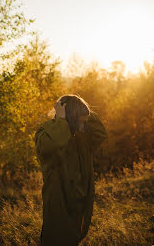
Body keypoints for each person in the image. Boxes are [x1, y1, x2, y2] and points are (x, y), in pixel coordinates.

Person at [34, 94, 107, 245]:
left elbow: (100, 133)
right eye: (79, 122)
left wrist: (78, 105)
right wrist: (62, 118)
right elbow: (51, 145)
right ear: (70, 118)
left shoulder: (81, 136)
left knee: (73, 239)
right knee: (55, 239)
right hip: (59, 201)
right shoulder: (46, 132)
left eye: (84, 122)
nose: (83, 126)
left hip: (79, 199)